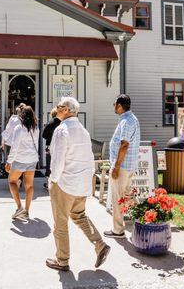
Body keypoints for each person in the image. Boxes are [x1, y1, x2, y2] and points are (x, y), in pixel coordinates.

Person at [46, 97, 110, 271]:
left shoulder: (62, 130)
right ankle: (100, 244)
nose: (56, 109)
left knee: (60, 223)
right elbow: (89, 158)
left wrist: (53, 180)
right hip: (81, 183)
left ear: (66, 109)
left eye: (59, 106)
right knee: (80, 216)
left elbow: (58, 160)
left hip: (65, 183)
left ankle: (62, 260)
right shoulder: (83, 130)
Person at [104, 94, 141, 239]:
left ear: (119, 106)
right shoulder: (131, 119)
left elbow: (124, 145)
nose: (114, 106)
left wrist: (116, 166)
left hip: (123, 166)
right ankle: (144, 217)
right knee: (128, 196)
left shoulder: (127, 121)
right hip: (129, 165)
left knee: (118, 198)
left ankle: (118, 230)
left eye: (115, 104)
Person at [5, 106, 39, 220]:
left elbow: (14, 147)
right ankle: (27, 211)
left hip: (20, 159)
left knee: (12, 181)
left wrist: (9, 161)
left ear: (22, 115)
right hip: (32, 159)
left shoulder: (19, 128)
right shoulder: (36, 128)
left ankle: (19, 207)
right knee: (29, 186)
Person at [42, 108, 61, 190]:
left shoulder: (50, 123)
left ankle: (49, 183)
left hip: (49, 146)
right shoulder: (63, 123)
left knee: (49, 165)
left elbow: (44, 135)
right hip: (60, 146)